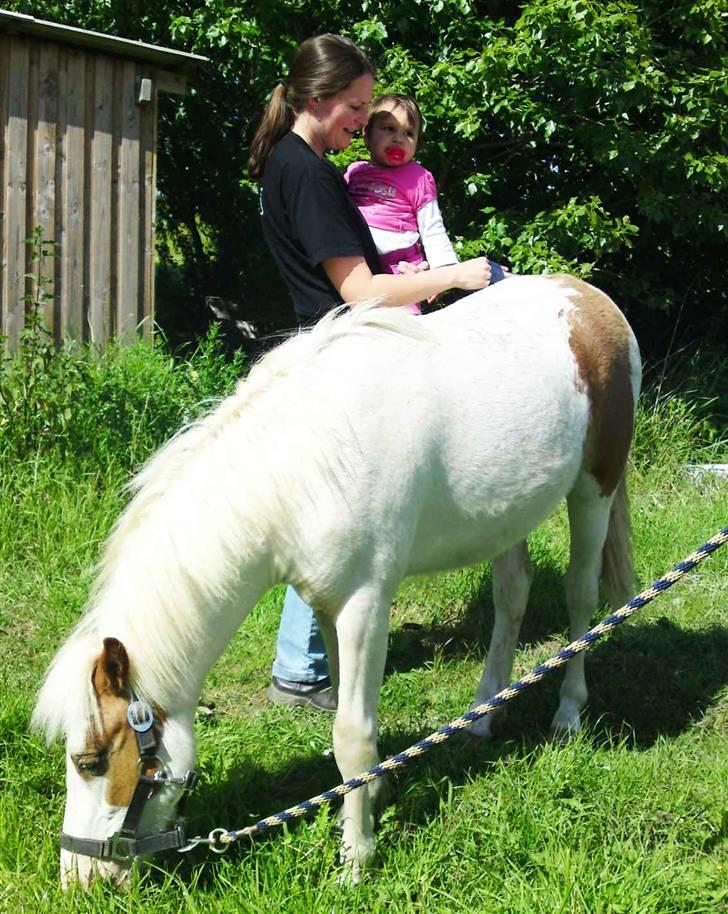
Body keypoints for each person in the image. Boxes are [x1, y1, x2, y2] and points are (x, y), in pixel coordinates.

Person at [248, 34, 494, 711]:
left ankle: (303, 660)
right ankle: (303, 668)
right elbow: (356, 290)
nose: (363, 122)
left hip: (323, 351)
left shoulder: (290, 162)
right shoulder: (309, 174)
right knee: (340, 520)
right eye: (356, 107)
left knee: (328, 515)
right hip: (345, 360)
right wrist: (454, 276)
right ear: (318, 98)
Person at [344, 93, 506, 312]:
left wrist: (443, 272)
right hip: (358, 267)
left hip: (400, 269)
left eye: (408, 133)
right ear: (367, 135)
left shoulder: (418, 177)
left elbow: (432, 227)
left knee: (402, 324)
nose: (398, 138)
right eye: (389, 129)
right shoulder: (355, 172)